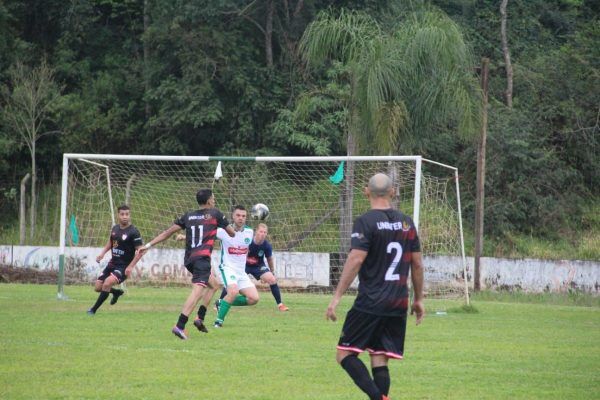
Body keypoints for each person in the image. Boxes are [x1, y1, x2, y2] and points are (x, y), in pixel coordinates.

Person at [325, 173, 425, 400]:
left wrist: (337, 296)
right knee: (379, 357)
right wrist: (418, 299)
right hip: (398, 301)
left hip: (371, 301)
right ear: (393, 192)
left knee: (344, 354)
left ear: (366, 191)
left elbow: (356, 259)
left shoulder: (365, 221)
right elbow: (417, 264)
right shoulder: (407, 222)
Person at [137, 189, 234, 340]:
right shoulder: (215, 214)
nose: (214, 201)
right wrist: (222, 224)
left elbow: (167, 233)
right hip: (202, 259)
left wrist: (148, 245)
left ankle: (199, 318)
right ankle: (180, 326)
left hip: (189, 259)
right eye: (213, 198)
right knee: (197, 291)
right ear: (208, 201)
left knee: (214, 285)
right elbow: (232, 233)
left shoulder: (188, 215)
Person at [215, 223, 288, 311]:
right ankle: (220, 302)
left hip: (258, 266)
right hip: (244, 265)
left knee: (272, 279)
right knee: (233, 282)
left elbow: (269, 259)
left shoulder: (267, 245)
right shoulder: (248, 241)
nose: (263, 234)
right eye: (261, 231)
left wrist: (271, 271)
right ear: (256, 232)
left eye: (265, 232)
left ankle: (280, 305)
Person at [88, 204, 143, 315]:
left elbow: (141, 251)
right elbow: (111, 242)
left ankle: (93, 310)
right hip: (112, 263)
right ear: (118, 215)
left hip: (123, 267)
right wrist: (102, 253)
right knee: (98, 287)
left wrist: (130, 266)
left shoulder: (134, 232)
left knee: (107, 283)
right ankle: (116, 292)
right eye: (122, 214)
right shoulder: (115, 228)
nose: (125, 216)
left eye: (127, 214)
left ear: (129, 215)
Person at [211, 205, 259, 328]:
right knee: (233, 291)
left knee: (254, 298)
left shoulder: (249, 232)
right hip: (227, 268)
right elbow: (206, 236)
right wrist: (185, 237)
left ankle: (221, 302)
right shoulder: (222, 231)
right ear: (233, 216)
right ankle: (218, 322)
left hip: (241, 272)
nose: (240, 218)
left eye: (243, 216)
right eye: (238, 215)